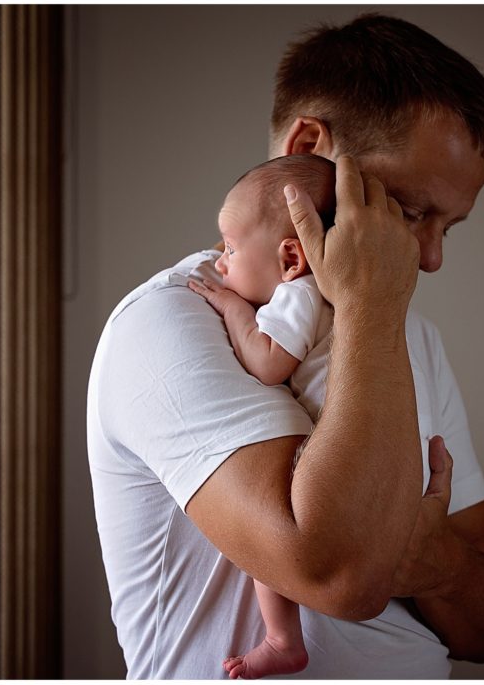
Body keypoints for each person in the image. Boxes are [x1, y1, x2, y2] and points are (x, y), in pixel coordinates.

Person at [87, 13, 484, 679]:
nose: (429, 258)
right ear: (311, 147)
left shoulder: (408, 336)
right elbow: (338, 572)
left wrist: (438, 559)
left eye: (448, 229)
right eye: (410, 210)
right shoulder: (171, 321)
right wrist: (371, 314)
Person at [186, 154, 337, 678]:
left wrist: (233, 310)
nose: (220, 261)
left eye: (229, 247)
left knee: (265, 543)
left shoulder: (299, 294)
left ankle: (282, 638)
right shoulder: (324, 295)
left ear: (291, 257)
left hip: (327, 450)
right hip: (346, 446)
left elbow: (271, 364)